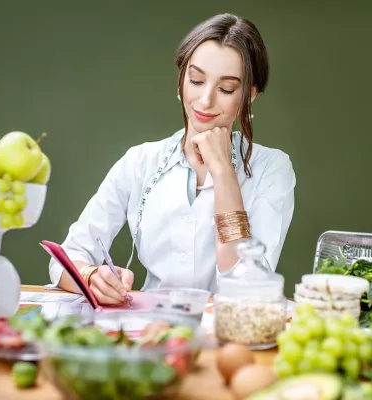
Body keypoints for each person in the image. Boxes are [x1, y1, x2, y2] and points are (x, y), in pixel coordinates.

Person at [49, 13, 296, 306]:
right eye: (196, 80)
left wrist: (223, 172)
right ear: (181, 81)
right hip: (153, 333)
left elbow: (247, 286)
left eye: (226, 88)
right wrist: (91, 277)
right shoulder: (140, 162)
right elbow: (65, 258)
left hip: (230, 336)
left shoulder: (272, 169)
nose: (205, 100)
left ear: (249, 95)